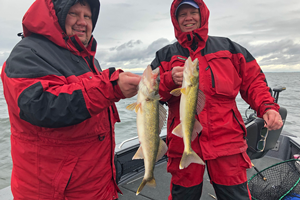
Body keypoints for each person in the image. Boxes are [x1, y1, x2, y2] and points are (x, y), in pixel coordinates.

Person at [1, 0, 141, 199]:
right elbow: (42, 106)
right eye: (74, 14)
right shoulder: (27, 53)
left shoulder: (87, 59)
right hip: (55, 191)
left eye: (88, 16)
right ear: (58, 15)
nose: (82, 22)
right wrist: (110, 87)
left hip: (94, 185)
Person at [150, 0, 284, 199]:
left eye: (192, 13)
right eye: (182, 14)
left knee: (235, 196)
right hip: (184, 141)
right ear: (175, 20)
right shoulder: (164, 56)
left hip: (226, 139)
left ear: (202, 15)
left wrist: (267, 107)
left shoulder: (229, 48)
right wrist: (168, 79)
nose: (188, 18)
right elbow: (149, 95)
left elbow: (254, 82)